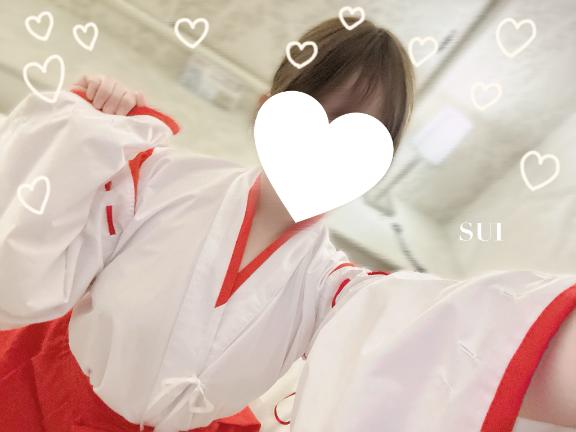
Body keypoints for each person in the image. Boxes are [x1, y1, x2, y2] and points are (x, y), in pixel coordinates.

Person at [0, 17, 574, 432]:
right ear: (267, 110)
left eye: (362, 136)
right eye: (325, 115)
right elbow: (24, 256)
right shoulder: (153, 179)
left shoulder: (336, 290)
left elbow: (450, 336)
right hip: (36, 400)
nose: (331, 145)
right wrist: (85, 128)